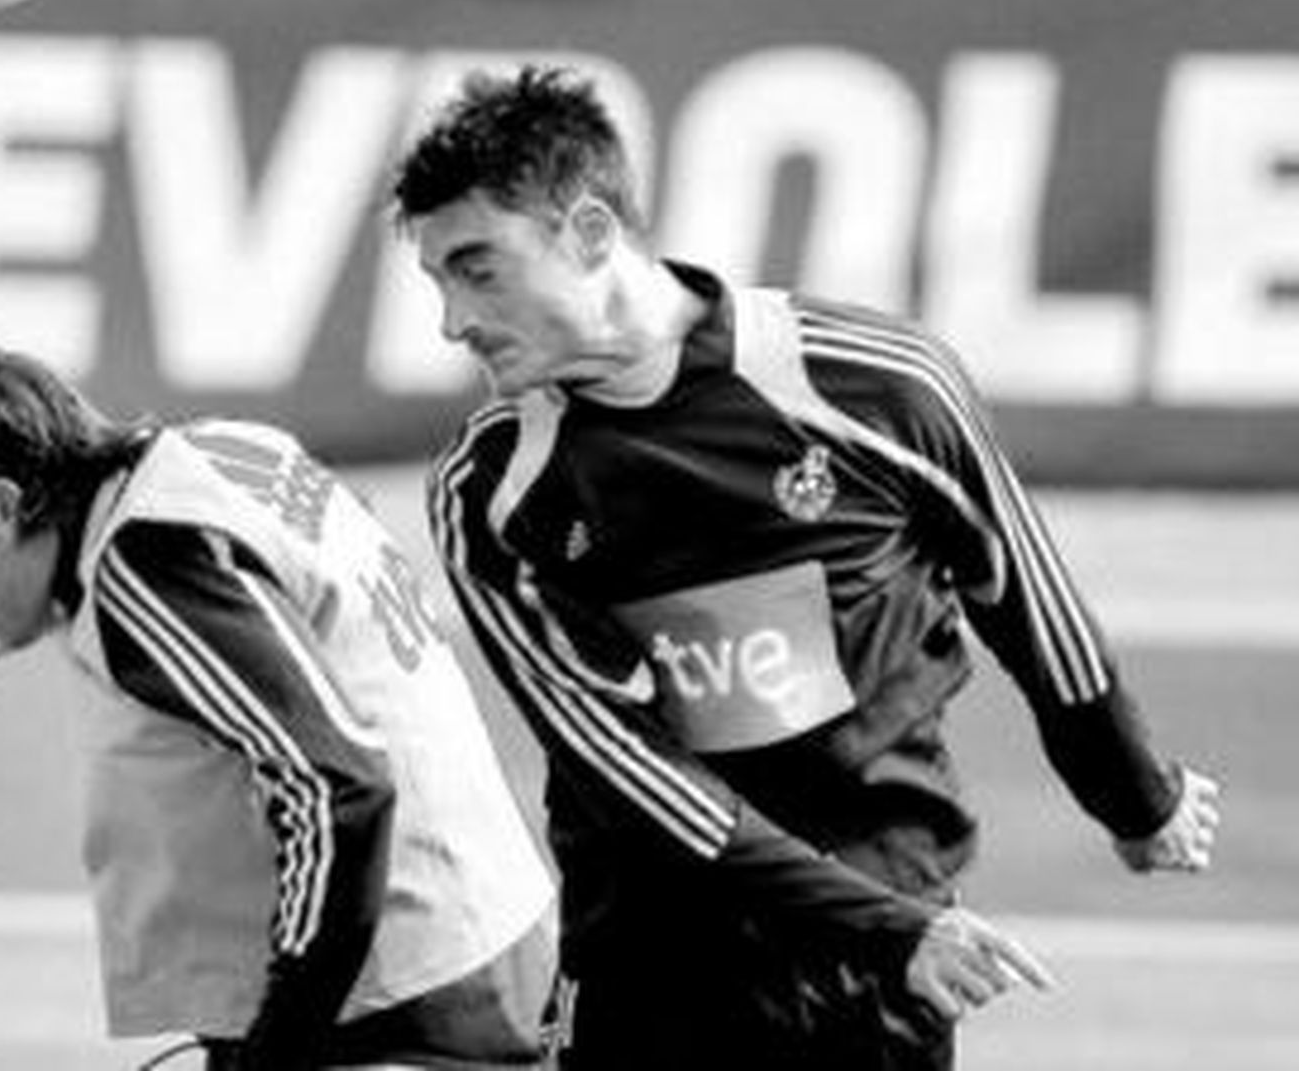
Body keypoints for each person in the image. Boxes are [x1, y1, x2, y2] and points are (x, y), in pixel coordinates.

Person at [386, 64, 1221, 1070]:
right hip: (656, 968)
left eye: (477, 268)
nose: (450, 319)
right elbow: (631, 772)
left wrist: (1134, 795)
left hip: (878, 972)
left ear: (593, 232)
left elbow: (1026, 598)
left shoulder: (874, 383)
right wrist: (886, 923)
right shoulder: (493, 490)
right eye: (435, 279)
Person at [0, 329, 557, 1071]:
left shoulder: (147, 566)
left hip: (394, 1003)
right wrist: (39, 607)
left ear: (1, 508)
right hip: (478, 941)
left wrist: (277, 1050)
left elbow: (337, 787)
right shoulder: (209, 457)